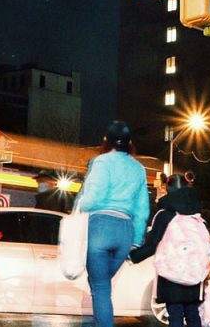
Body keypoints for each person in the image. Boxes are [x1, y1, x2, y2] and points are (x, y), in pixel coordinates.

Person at [73, 120, 149, 327]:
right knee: (102, 284)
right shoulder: (139, 169)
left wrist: (81, 205)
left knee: (100, 287)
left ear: (105, 141)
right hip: (125, 232)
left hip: (101, 228)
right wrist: (136, 239)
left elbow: (94, 197)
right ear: (130, 143)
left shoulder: (102, 162)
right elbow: (142, 210)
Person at [130, 173, 205, 327]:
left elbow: (153, 244)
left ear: (168, 188)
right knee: (192, 312)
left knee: (175, 313)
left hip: (171, 273)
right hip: (193, 272)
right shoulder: (196, 214)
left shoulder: (164, 215)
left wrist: (133, 256)